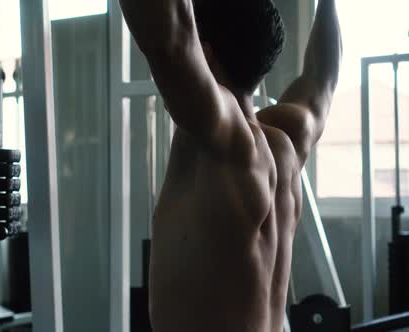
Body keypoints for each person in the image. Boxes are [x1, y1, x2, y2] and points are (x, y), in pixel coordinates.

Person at [118, 0, 342, 331]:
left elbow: (172, 40)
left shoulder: (222, 142)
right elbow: (322, 77)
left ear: (204, 55)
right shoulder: (288, 141)